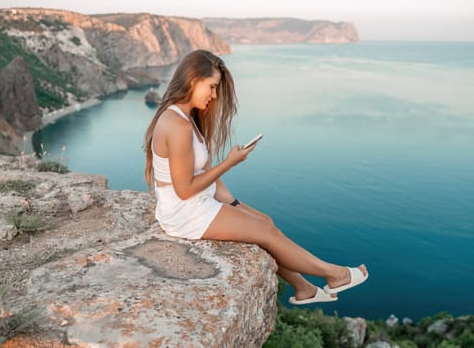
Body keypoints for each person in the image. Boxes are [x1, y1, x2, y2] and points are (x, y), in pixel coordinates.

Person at [144, 49, 368, 305]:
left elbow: (204, 172)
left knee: (265, 221)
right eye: (212, 87)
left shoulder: (186, 118)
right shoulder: (177, 125)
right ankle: (335, 274)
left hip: (198, 203)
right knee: (263, 230)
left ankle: (303, 287)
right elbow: (184, 189)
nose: (214, 95)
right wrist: (229, 163)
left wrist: (235, 204)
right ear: (193, 79)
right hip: (184, 212)